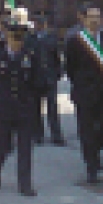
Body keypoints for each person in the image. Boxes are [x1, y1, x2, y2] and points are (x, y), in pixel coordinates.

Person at [0, 18, 40, 196]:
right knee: (2, 145)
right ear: (7, 37)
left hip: (24, 108)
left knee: (25, 148)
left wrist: (32, 100)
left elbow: (37, 80)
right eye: (15, 39)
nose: (18, 43)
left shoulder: (29, 56)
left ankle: (24, 184)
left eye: (20, 39)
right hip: (3, 108)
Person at [65, 3, 103, 184]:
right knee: (87, 130)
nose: (95, 20)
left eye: (98, 16)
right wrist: (80, 85)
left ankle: (94, 152)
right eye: (91, 17)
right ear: (84, 19)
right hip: (84, 92)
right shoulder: (76, 40)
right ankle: (91, 166)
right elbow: (70, 67)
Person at [27, 12, 65, 146]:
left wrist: (58, 73)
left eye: (42, 24)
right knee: (35, 109)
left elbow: (56, 57)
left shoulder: (51, 38)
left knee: (52, 108)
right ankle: (37, 134)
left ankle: (56, 135)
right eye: (37, 24)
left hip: (49, 77)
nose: (40, 26)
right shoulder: (29, 39)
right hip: (35, 78)